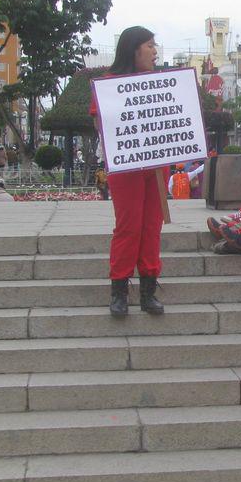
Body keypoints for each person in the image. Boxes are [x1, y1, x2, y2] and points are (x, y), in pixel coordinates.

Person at [90, 26, 166, 317]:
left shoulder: (162, 83)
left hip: (157, 165)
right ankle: (119, 291)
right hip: (126, 167)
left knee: (151, 228)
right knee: (128, 227)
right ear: (133, 49)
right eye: (150, 45)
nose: (155, 51)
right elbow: (102, 126)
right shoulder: (109, 84)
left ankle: (148, 290)